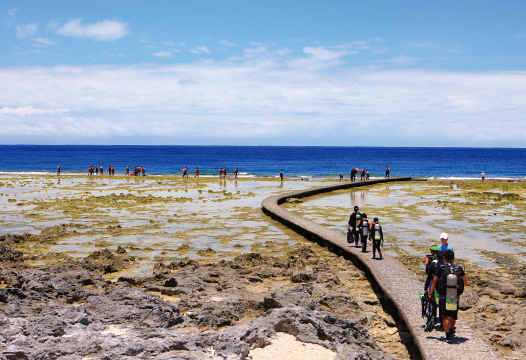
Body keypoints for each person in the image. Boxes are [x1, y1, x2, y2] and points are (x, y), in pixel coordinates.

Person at [429, 250, 467, 343]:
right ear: (454, 258)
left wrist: (430, 294)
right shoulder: (459, 268)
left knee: (445, 315)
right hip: (454, 296)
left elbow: (434, 282)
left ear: (444, 258)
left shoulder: (440, 268)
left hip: (442, 296)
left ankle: (447, 336)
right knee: (453, 315)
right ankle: (450, 331)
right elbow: (465, 281)